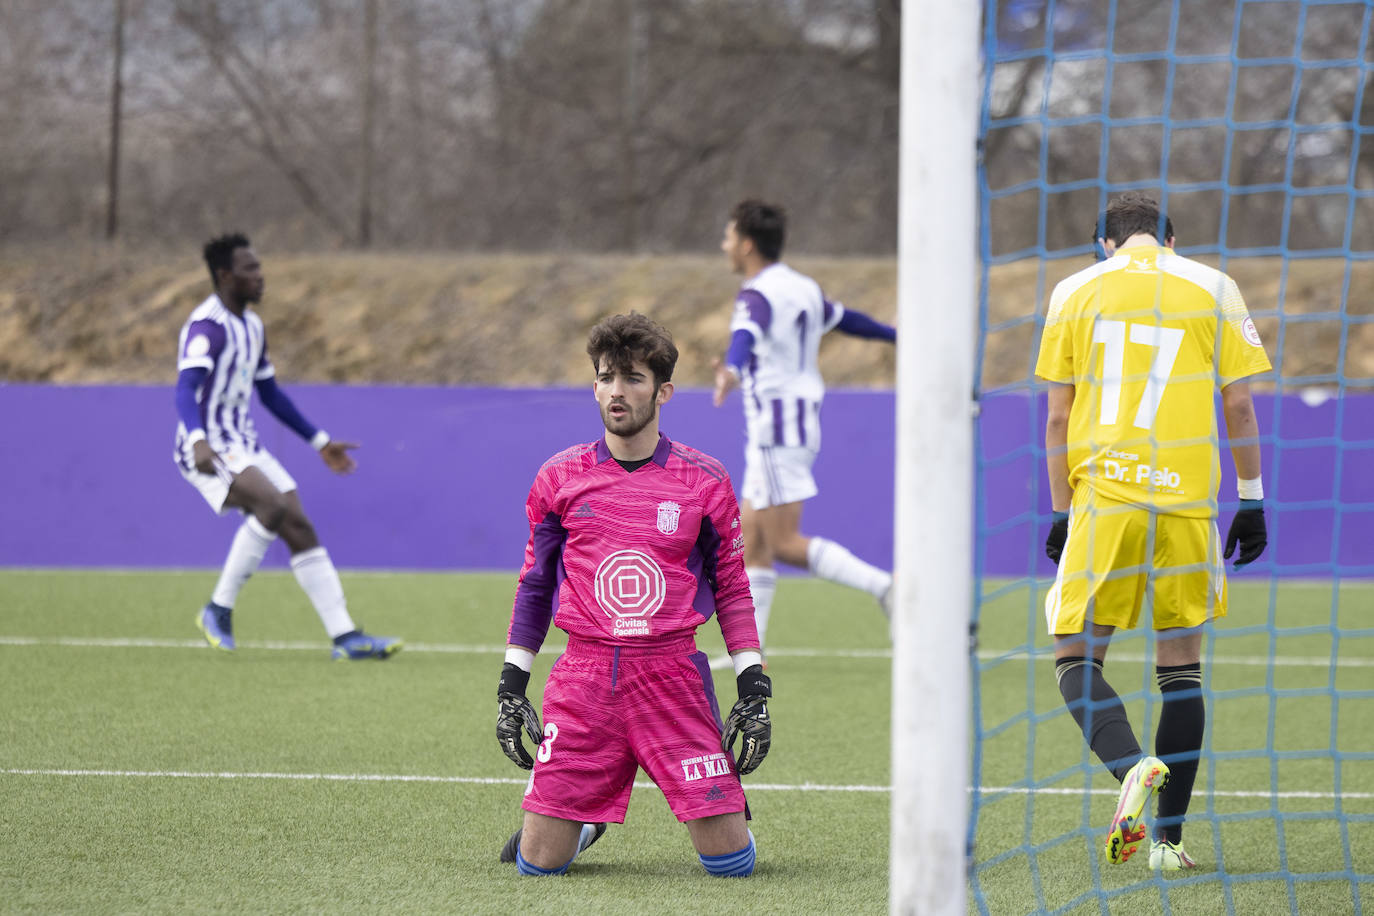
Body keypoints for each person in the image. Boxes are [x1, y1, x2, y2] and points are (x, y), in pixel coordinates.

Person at [1034, 193, 1271, 871]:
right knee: (1181, 666)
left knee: (1076, 658)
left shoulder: (1074, 289)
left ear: (1103, 243)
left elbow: (1058, 417)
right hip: (1187, 501)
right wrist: (1252, 500)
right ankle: (1169, 843)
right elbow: (1239, 404)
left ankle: (1132, 765)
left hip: (1107, 498)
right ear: (1171, 240)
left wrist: (1061, 511)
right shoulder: (1215, 286)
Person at [494, 312, 772, 878]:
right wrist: (511, 684)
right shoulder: (559, 476)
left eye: (633, 378)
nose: (616, 391)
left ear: (663, 391)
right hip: (584, 678)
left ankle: (706, 805)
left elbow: (732, 585)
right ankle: (583, 823)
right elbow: (535, 584)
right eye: (605, 377)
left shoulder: (705, 480)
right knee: (537, 866)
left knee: (732, 865)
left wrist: (753, 685)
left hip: (672, 678)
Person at [174, 232, 401, 661]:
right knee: (273, 506)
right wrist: (198, 440)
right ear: (225, 276)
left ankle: (345, 637)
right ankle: (218, 609)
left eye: (259, 267)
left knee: (297, 524)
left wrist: (320, 441)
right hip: (209, 448)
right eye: (250, 269)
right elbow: (185, 389)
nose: (260, 276)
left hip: (244, 444)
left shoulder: (253, 327)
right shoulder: (208, 327)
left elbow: (271, 395)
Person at [711, 199, 897, 663]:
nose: (724, 245)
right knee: (752, 540)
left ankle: (887, 588)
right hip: (791, 422)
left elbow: (746, 335)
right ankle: (749, 653)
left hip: (776, 426)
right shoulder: (802, 287)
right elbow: (846, 319)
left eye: (729, 236)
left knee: (782, 543)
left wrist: (731, 370)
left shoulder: (756, 294)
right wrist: (895, 334)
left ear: (747, 244)